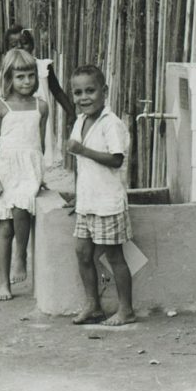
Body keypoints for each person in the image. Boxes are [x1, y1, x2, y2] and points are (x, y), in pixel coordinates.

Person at [65, 64, 135, 326]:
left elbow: (116, 160)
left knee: (115, 256)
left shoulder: (111, 124)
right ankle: (93, 305)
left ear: (104, 91)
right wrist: (77, 196)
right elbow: (82, 165)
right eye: (78, 92)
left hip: (107, 202)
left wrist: (82, 150)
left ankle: (126, 309)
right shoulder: (81, 121)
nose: (84, 98)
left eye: (90, 91)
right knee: (83, 253)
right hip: (87, 201)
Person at [0, 48, 47, 301]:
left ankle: (21, 255)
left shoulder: (41, 106)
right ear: (9, 77)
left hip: (29, 168)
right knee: (5, 228)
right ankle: (4, 283)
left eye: (31, 76)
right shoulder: (0, 107)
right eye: (20, 77)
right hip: (8, 169)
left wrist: (40, 174)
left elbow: (39, 142)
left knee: (22, 209)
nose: (27, 81)